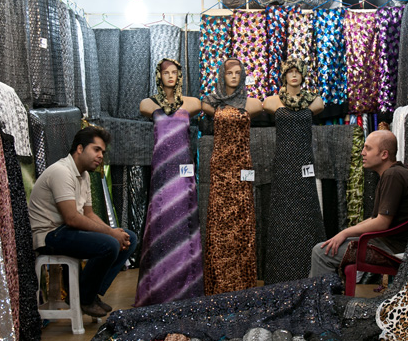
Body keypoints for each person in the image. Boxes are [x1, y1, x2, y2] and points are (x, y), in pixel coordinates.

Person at [28, 126, 137, 318]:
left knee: (130, 238)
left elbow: (88, 214)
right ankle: (83, 298)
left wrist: (113, 230)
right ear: (80, 148)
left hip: (66, 231)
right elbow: (72, 218)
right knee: (110, 244)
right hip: (49, 235)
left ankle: (89, 294)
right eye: (96, 149)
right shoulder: (61, 171)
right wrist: (110, 234)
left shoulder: (84, 175)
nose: (100, 156)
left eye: (102, 152)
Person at [134, 58, 204, 306]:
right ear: (159, 76)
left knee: (183, 224)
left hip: (184, 174)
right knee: (162, 225)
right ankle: (160, 285)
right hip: (162, 174)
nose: (171, 76)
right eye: (166, 73)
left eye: (175, 72)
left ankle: (186, 285)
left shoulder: (192, 103)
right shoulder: (148, 104)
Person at [310, 129, 408, 281]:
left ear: (384, 154)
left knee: (320, 252)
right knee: (327, 246)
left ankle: (320, 302)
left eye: (368, 148)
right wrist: (345, 232)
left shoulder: (392, 175)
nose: (362, 152)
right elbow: (375, 218)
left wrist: (345, 233)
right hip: (386, 242)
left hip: (390, 247)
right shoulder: (392, 174)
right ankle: (325, 297)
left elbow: (382, 222)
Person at [201, 57, 263, 295]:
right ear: (222, 75)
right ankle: (219, 283)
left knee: (242, 222)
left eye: (238, 73)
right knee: (219, 225)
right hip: (220, 169)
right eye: (229, 73)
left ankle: (243, 283)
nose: (234, 77)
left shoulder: (252, 103)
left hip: (242, 169)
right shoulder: (209, 103)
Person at [263, 59, 326, 284]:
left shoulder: (314, 101)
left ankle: (307, 271)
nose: (294, 76)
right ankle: (281, 273)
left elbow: (317, 106)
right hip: (282, 165)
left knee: (306, 213)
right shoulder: (271, 101)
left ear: (303, 75)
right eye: (289, 72)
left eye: (297, 72)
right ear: (283, 75)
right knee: (283, 217)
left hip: (304, 166)